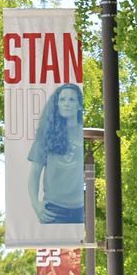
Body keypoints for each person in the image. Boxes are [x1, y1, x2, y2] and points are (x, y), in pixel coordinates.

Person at [29, 83, 85, 224]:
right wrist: (36, 204)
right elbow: (34, 173)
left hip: (83, 209)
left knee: (83, 246)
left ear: (79, 105)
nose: (66, 103)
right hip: (54, 211)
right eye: (62, 99)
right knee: (54, 246)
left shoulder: (87, 134)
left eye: (72, 100)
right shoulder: (46, 135)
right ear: (57, 104)